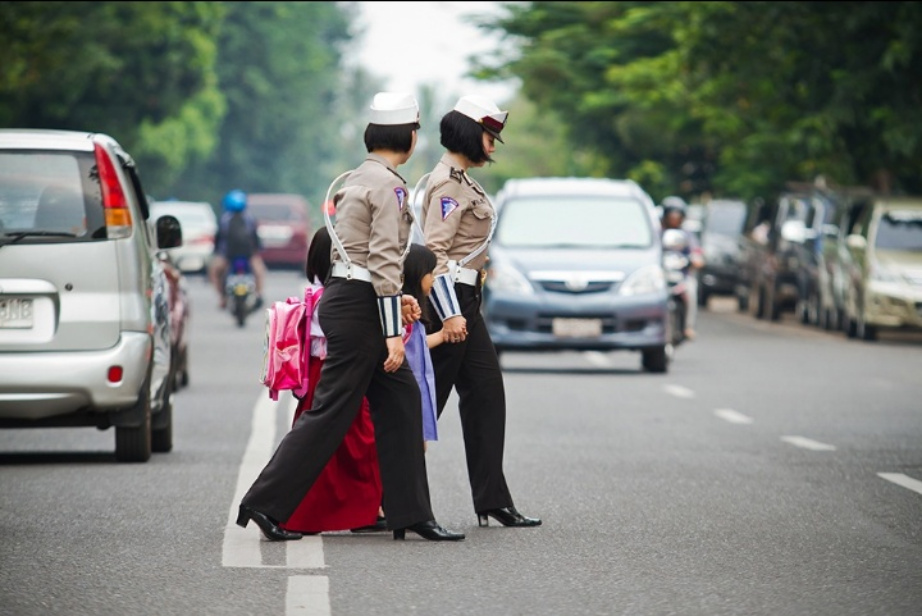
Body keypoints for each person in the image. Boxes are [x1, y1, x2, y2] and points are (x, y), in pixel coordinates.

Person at [237, 92, 463, 542]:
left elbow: (359, 258)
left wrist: (389, 307)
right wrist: (393, 333)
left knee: (401, 404)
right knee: (332, 412)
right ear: (410, 135)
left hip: (352, 300)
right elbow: (381, 260)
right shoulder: (390, 185)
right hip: (360, 309)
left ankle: (411, 513)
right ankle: (263, 504)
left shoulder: (358, 177)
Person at [419, 94, 541, 529]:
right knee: (420, 408)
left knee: (487, 396)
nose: (493, 145)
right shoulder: (450, 184)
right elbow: (435, 254)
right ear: (471, 132)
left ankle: (492, 499)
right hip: (449, 304)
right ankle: (386, 498)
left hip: (467, 305)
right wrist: (451, 314)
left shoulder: (463, 180)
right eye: (489, 136)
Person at [279, 226, 384, 535]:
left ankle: (362, 510)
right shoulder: (332, 295)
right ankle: (356, 510)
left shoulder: (313, 291)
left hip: (317, 373)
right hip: (335, 371)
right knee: (357, 441)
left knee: (329, 442)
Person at [401, 243, 443, 450]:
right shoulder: (405, 315)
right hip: (408, 393)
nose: (433, 278)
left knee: (419, 446)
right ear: (416, 276)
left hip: (417, 392)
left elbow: (420, 345)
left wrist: (443, 335)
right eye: (430, 273)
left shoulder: (414, 316)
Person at [209, 189, 267, 309]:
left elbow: (218, 239)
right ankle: (259, 294)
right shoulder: (249, 218)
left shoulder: (224, 219)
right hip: (248, 254)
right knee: (259, 271)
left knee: (214, 271)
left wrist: (216, 252)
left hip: (227, 255)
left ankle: (222, 297)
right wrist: (257, 251)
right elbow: (255, 238)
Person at [660, 196, 704, 339]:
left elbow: (696, 252)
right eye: (671, 216)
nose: (674, 219)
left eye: (677, 216)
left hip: (681, 276)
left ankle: (687, 327)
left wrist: (696, 260)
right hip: (661, 276)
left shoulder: (688, 235)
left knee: (690, 291)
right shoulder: (657, 234)